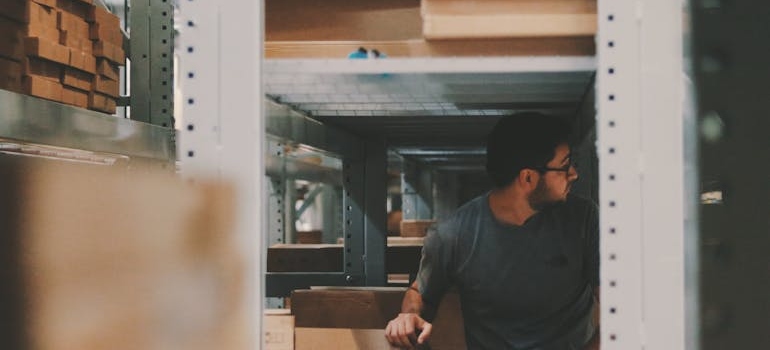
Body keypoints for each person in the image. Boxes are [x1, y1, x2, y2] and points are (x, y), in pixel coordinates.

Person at [385, 112, 600, 349]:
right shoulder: (454, 234)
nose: (574, 174)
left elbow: (617, 308)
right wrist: (408, 315)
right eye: (564, 165)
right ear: (528, 178)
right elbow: (421, 293)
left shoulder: (584, 219)